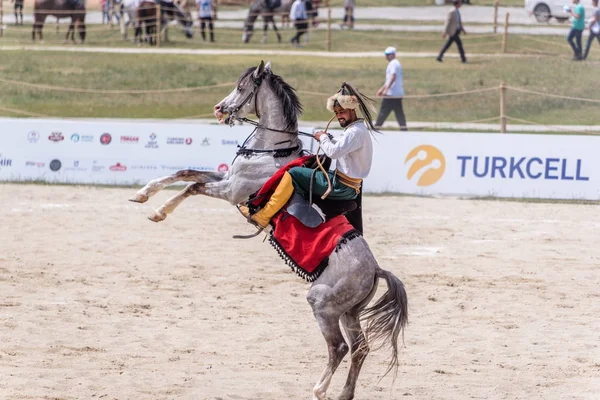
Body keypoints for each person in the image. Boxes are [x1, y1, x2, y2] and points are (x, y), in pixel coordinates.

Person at [242, 82, 378, 230]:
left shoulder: (355, 132)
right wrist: (328, 138)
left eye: (342, 112)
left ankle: (264, 216)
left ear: (352, 110)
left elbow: (334, 152)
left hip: (342, 186)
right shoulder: (356, 129)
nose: (339, 116)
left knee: (293, 173)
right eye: (337, 113)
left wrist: (323, 138)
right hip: (345, 183)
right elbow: (341, 145)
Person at [375, 46, 408, 131]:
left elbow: (393, 76)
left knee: (383, 112)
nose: (386, 56)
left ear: (393, 55)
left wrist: (386, 90)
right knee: (399, 113)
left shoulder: (393, 63)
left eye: (388, 54)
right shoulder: (396, 63)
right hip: (397, 94)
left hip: (391, 94)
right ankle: (404, 129)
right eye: (386, 54)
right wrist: (382, 89)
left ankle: (376, 128)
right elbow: (389, 79)